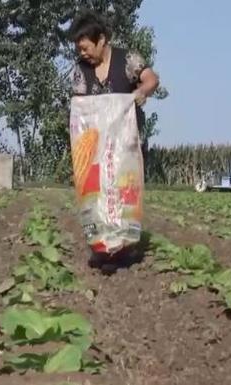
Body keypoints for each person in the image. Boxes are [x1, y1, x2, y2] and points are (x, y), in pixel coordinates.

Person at [68, 10, 160, 273]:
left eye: (86, 48)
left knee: (123, 191)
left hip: (125, 142)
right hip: (96, 145)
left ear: (102, 40)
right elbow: (79, 104)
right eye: (79, 49)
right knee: (97, 193)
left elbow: (151, 79)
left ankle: (123, 248)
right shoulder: (81, 69)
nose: (83, 54)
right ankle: (101, 247)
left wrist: (142, 92)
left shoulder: (127, 59)